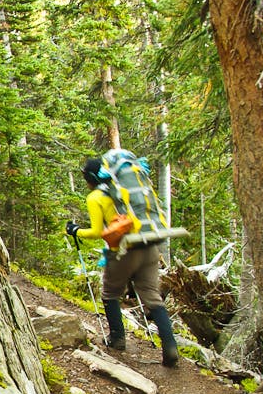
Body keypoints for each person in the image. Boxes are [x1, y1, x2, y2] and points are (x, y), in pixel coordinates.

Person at [66, 157, 179, 367]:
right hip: (148, 245)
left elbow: (97, 232)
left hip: (124, 251)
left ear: (90, 178)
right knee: (153, 297)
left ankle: (117, 339)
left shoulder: (96, 197)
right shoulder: (125, 190)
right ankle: (170, 348)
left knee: (109, 293)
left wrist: (75, 231)